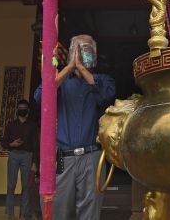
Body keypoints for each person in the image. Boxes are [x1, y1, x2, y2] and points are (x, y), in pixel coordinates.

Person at [34, 34, 116, 220]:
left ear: (94, 55)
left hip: (92, 155)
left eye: (87, 48)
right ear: (70, 53)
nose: (81, 52)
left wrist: (80, 68)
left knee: (90, 210)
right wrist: (70, 67)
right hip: (63, 156)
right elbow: (41, 97)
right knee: (57, 209)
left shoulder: (102, 79)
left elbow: (105, 96)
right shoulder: (60, 82)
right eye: (77, 48)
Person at [3, 99, 39, 220]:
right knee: (11, 185)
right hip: (14, 155)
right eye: (20, 108)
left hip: (27, 156)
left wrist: (35, 163)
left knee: (26, 186)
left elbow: (36, 146)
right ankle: (10, 213)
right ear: (17, 110)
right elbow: (3, 142)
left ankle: (24, 213)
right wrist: (11, 144)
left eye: (24, 108)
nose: (22, 109)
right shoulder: (11, 124)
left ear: (27, 111)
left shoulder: (32, 125)